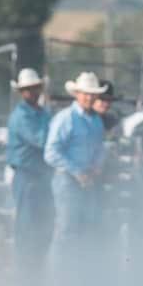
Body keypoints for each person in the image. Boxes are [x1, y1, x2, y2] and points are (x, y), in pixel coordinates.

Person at [44, 71, 107, 273]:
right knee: (67, 230)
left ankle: (75, 277)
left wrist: (97, 166)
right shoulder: (66, 118)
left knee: (84, 229)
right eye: (85, 93)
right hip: (67, 181)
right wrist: (76, 171)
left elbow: (99, 148)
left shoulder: (95, 121)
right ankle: (58, 279)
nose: (89, 97)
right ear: (77, 94)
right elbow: (51, 152)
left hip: (87, 180)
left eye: (92, 94)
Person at [6, 69, 54, 279]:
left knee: (44, 225)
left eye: (34, 88)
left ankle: (33, 275)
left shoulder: (43, 113)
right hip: (27, 175)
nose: (31, 92)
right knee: (27, 227)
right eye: (27, 90)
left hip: (41, 176)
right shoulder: (22, 116)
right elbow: (42, 140)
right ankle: (25, 277)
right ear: (21, 92)